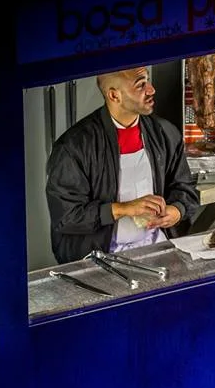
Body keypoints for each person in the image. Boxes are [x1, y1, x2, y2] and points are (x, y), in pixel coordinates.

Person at [45, 66, 200, 264]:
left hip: (156, 246)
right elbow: (66, 216)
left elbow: (184, 187)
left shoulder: (165, 133)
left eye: (148, 81)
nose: (151, 89)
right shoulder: (74, 147)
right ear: (114, 95)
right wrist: (122, 209)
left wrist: (177, 210)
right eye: (140, 85)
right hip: (101, 258)